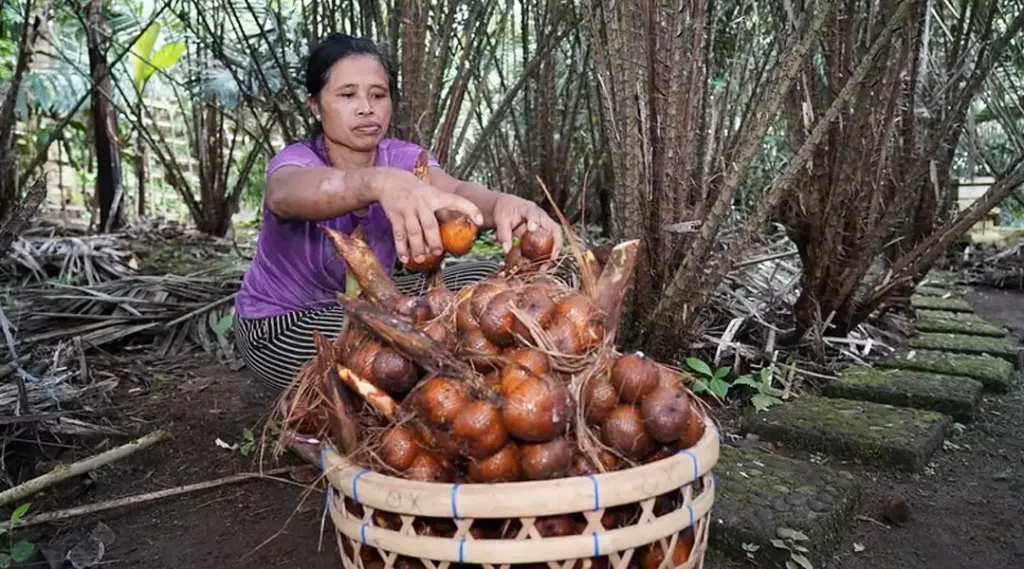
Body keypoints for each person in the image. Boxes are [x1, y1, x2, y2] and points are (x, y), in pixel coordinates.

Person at [233, 33, 567, 393]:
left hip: (375, 300)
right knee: (399, 353)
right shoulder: (297, 161)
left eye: (378, 95)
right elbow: (284, 193)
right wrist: (378, 183)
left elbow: (453, 192)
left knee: (505, 282)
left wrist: (503, 204)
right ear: (315, 105)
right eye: (347, 95)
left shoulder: (403, 158)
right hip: (286, 323)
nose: (366, 107)